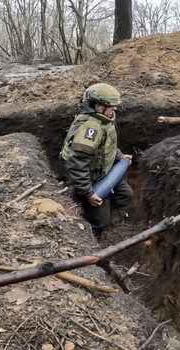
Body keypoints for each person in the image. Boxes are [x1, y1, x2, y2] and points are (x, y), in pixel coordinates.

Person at [60, 83, 133, 237]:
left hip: (102, 170)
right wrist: (88, 192)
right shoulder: (90, 128)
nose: (115, 109)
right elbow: (77, 163)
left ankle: (105, 209)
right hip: (88, 177)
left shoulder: (104, 121)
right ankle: (94, 233)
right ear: (99, 107)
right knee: (100, 221)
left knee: (125, 195)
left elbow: (106, 146)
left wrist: (119, 156)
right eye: (112, 106)